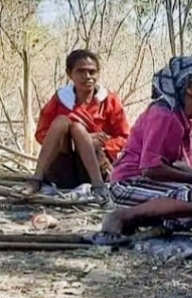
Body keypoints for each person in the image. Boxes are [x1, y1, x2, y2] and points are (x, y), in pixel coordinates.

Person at [102, 57, 192, 234]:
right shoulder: (163, 114)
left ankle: (154, 220)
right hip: (131, 182)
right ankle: (124, 215)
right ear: (189, 87)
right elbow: (151, 169)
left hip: (165, 185)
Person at [28, 49, 130, 202]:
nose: (87, 76)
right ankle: (36, 179)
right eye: (81, 71)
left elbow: (125, 138)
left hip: (95, 166)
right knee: (63, 122)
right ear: (70, 74)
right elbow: (42, 133)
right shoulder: (60, 100)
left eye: (92, 72)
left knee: (78, 129)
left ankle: (98, 185)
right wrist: (75, 139)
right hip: (63, 169)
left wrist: (99, 143)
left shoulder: (109, 101)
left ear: (98, 73)